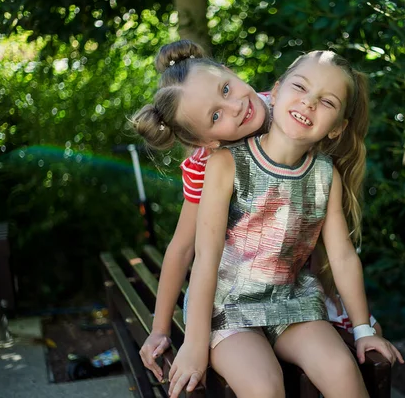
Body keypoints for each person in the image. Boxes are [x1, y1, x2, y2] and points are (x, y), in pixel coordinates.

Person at [134, 40, 383, 383]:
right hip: (232, 289)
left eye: (226, 87)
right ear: (207, 141)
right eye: (216, 115)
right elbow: (186, 248)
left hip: (291, 279)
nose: (235, 106)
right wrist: (161, 328)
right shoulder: (208, 165)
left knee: (340, 364)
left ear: (232, 72)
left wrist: (356, 318)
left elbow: (315, 216)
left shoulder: (292, 103)